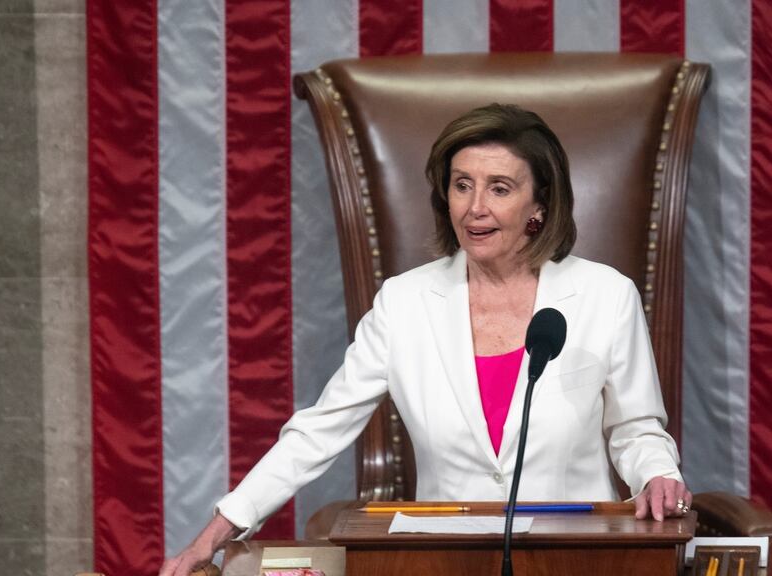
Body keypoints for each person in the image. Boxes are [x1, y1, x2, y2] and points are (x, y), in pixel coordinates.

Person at [160, 103, 692, 576]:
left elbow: (635, 428)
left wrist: (656, 476)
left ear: (540, 205)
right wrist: (215, 534)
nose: (474, 207)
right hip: (443, 559)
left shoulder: (604, 295)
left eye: (499, 188)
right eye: (462, 185)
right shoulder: (405, 302)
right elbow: (317, 432)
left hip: (578, 558)